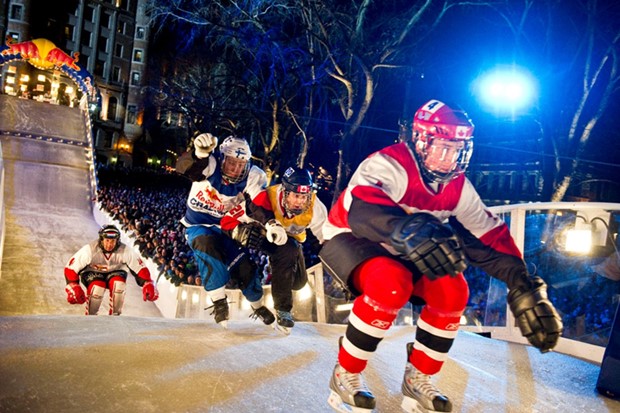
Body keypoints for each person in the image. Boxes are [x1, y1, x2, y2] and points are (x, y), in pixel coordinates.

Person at [319, 99, 564, 413]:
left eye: (458, 150)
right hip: (353, 236)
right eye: (443, 148)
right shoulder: (387, 164)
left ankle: (418, 376)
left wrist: (522, 283)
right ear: (422, 142)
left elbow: (488, 237)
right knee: (391, 284)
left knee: (454, 291)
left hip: (407, 244)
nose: (450, 159)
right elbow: (362, 210)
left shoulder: (459, 188)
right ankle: (346, 371)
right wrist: (406, 229)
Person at [175, 133, 275, 328]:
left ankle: (257, 305)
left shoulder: (253, 175)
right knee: (206, 246)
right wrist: (199, 155)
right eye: (231, 163)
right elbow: (186, 169)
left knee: (244, 265)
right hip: (199, 224)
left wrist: (270, 223)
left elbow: (258, 204)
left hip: (227, 227)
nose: (237, 169)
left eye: (241, 164)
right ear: (222, 159)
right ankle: (219, 302)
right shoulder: (211, 164)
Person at [221, 166, 328, 334]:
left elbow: (327, 239)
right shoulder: (266, 198)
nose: (301, 202)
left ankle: (280, 266)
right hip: (266, 237)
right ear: (285, 192)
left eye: (304, 197)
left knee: (298, 283)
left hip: (291, 241)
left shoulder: (315, 207)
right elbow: (227, 220)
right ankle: (283, 309)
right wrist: (238, 232)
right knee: (287, 250)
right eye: (296, 196)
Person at [64, 225, 159, 315]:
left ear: (117, 241)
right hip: (93, 273)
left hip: (114, 272)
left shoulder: (125, 251)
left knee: (119, 285)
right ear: (101, 239)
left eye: (113, 241)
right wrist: (73, 286)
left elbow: (140, 268)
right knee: (97, 287)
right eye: (107, 240)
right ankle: (90, 315)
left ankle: (115, 316)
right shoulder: (89, 250)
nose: (110, 244)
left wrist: (148, 282)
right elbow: (71, 268)